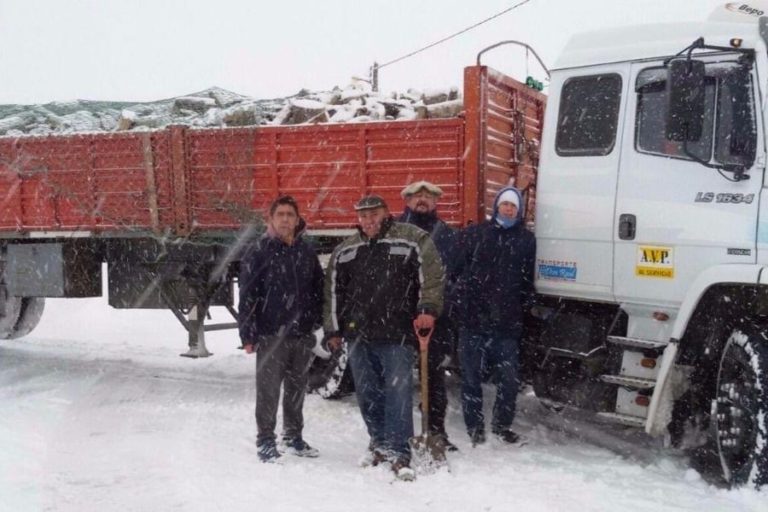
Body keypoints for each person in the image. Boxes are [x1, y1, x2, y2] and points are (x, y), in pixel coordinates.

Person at [324, 195, 444, 479]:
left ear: (386, 213)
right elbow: (332, 292)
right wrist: (332, 329)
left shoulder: (413, 238)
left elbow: (432, 276)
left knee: (398, 394)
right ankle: (378, 442)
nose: (368, 221)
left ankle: (401, 451)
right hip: (358, 334)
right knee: (367, 393)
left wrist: (427, 309)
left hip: (397, 333)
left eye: (373, 214)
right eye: (363, 216)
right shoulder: (346, 250)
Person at [239, 195, 324, 463]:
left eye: (290, 215)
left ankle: (293, 436)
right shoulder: (259, 251)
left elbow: (318, 291)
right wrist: (248, 333)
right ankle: (265, 440)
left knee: (297, 388)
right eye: (281, 215)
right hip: (270, 334)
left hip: (301, 335)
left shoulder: (306, 251)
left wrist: (316, 325)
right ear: (271, 219)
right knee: (269, 391)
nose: (286, 219)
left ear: (297, 220)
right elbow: (248, 295)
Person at [453, 186, 535, 446]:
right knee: (471, 379)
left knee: (509, 381)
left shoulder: (526, 240)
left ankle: (501, 426)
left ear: (519, 210)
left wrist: (523, 304)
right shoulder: (476, 234)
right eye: (504, 204)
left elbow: (526, 278)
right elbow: (455, 270)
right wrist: (462, 300)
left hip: (507, 324)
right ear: (496, 207)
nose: (508, 209)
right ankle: (475, 428)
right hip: (473, 319)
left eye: (513, 205)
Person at [397, 180, 459, 452]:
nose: (422, 200)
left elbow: (454, 275)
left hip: (434, 319)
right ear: (407, 200)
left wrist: (441, 309)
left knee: (434, 378)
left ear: (436, 201)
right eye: (416, 196)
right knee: (396, 378)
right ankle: (399, 434)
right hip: (399, 316)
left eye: (428, 196)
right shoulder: (396, 231)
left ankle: (436, 432)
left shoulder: (445, 234)